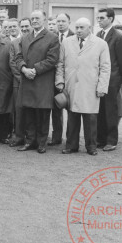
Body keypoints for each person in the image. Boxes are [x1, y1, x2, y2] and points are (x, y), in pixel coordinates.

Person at [56, 18, 110, 156]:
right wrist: (60, 81)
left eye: (82, 27)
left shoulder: (101, 44)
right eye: (77, 27)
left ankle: (91, 146)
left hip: (90, 86)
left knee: (90, 118)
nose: (79, 30)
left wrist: (102, 87)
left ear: (90, 28)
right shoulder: (67, 42)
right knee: (72, 117)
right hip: (71, 85)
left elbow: (105, 67)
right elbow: (60, 64)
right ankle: (71, 145)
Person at [14, 10, 60, 154]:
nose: (34, 21)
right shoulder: (25, 37)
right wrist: (23, 68)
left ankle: (41, 143)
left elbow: (52, 60)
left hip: (42, 82)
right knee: (29, 114)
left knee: (42, 114)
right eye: (32, 18)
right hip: (28, 81)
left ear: (44, 19)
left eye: (37, 18)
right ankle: (30, 141)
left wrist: (34, 69)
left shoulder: (52, 37)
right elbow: (18, 56)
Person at [95, 8, 122, 151]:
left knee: (110, 110)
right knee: (100, 109)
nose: (99, 20)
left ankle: (111, 141)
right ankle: (101, 139)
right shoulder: (98, 35)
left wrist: (119, 79)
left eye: (102, 18)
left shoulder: (118, 37)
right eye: (98, 18)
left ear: (110, 19)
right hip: (99, 78)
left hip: (112, 79)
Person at [49, 13, 75, 146]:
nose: (60, 24)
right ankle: (56, 137)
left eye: (63, 21)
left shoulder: (75, 37)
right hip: (53, 79)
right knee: (56, 108)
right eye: (58, 21)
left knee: (71, 110)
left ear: (69, 22)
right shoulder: (52, 37)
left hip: (71, 79)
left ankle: (70, 138)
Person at [8, 18, 31, 147]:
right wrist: (21, 77)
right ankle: (19, 136)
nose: (24, 29)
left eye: (26, 26)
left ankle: (32, 136)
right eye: (22, 26)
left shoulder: (35, 40)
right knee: (19, 110)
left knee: (32, 110)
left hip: (34, 81)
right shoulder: (15, 43)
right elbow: (12, 62)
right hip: (19, 81)